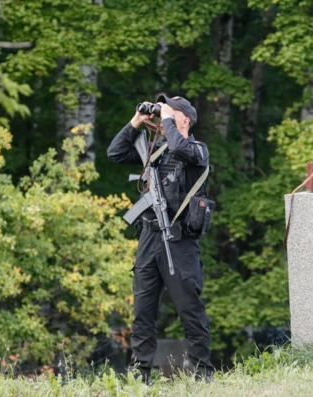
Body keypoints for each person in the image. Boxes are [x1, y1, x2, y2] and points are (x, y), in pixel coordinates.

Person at [106, 95, 214, 383]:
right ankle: (140, 374)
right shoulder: (156, 149)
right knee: (142, 311)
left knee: (189, 310)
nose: (163, 116)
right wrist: (137, 121)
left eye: (171, 112)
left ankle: (203, 372)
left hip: (179, 241)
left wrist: (166, 117)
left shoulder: (196, 150)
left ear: (185, 120)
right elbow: (115, 153)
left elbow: (181, 145)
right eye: (163, 111)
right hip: (148, 239)